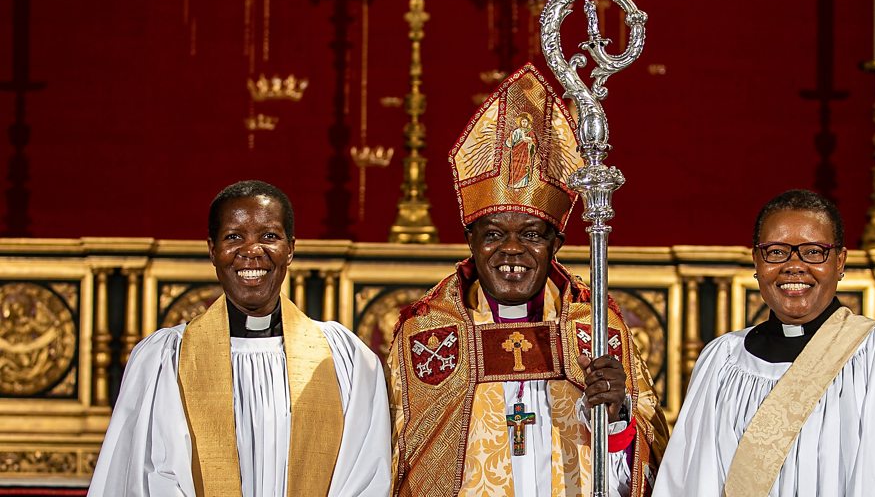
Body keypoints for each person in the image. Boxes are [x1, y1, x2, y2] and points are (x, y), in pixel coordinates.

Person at [388, 63, 668, 497]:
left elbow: (646, 472)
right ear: (470, 241)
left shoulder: (597, 330)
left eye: (533, 234)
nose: (512, 250)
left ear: (557, 243)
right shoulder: (427, 336)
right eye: (494, 234)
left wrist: (617, 418)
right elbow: (400, 463)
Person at [652, 189, 875, 496]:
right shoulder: (722, 361)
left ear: (840, 262)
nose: (794, 265)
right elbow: (690, 482)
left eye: (814, 251)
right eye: (776, 252)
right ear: (757, 262)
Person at [89, 180, 391, 496]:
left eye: (269, 236)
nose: (252, 251)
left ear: (290, 249)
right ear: (212, 250)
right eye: (234, 237)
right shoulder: (166, 360)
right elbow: (147, 475)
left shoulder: (344, 359)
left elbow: (366, 473)